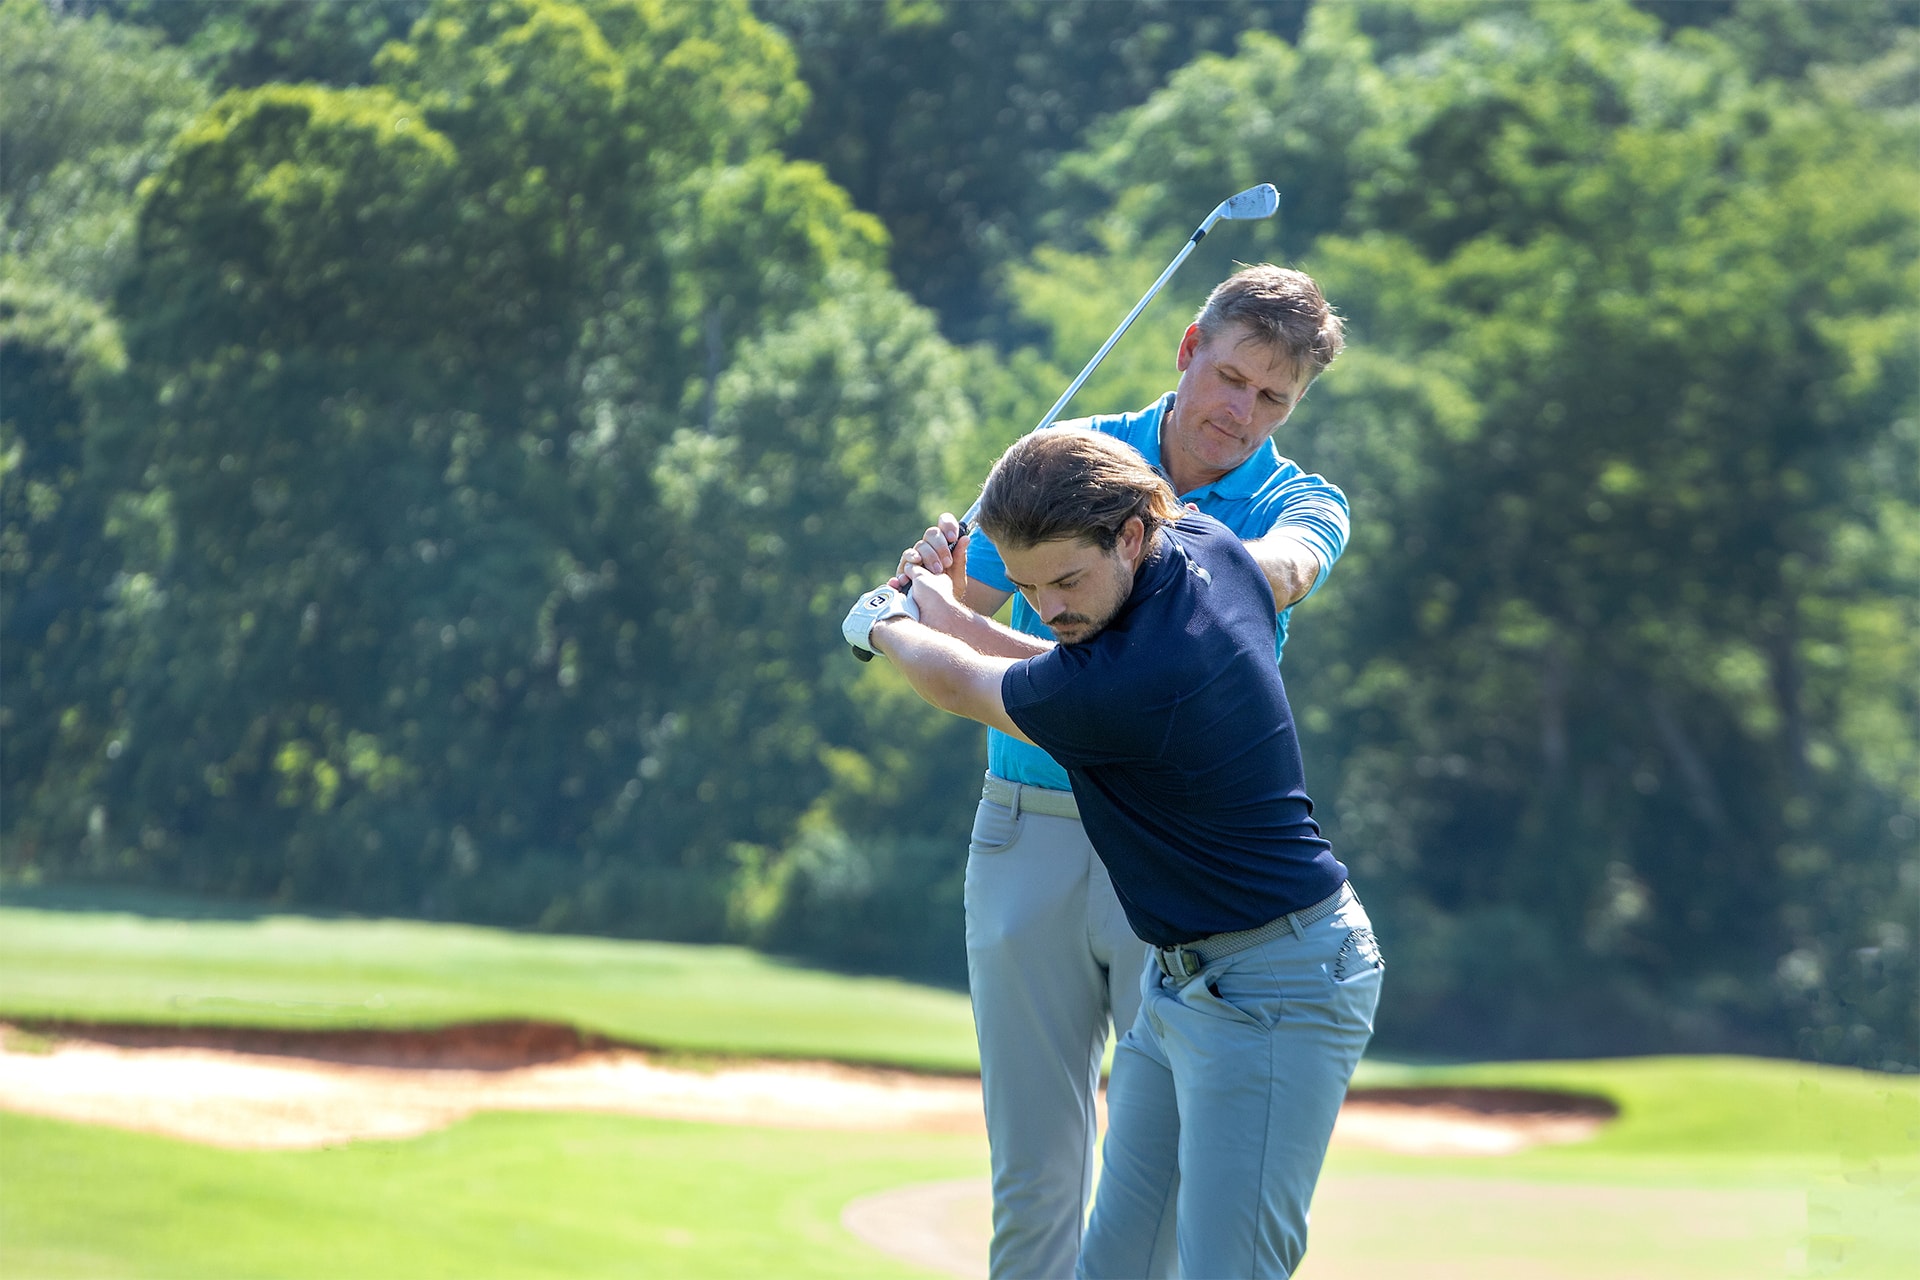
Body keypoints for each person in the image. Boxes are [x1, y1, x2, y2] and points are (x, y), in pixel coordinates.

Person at [889, 265, 1351, 1279]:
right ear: (1189, 349)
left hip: (1174, 861)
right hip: (1030, 827)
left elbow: (1287, 565)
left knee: (1157, 1185)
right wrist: (929, 582)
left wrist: (1197, 557)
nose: (1242, 412)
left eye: (1274, 397)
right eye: (1230, 377)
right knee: (1036, 1176)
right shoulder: (1067, 459)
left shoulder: (1300, 501)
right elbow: (962, 602)